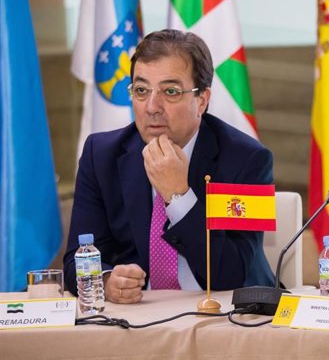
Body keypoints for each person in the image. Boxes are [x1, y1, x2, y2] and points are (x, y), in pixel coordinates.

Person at [63, 29, 274, 303]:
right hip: (138, 317)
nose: (152, 106)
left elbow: (231, 275)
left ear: (202, 100)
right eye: (141, 90)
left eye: (170, 92)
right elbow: (74, 262)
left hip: (226, 316)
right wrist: (106, 280)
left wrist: (178, 195)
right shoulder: (100, 155)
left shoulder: (248, 160)